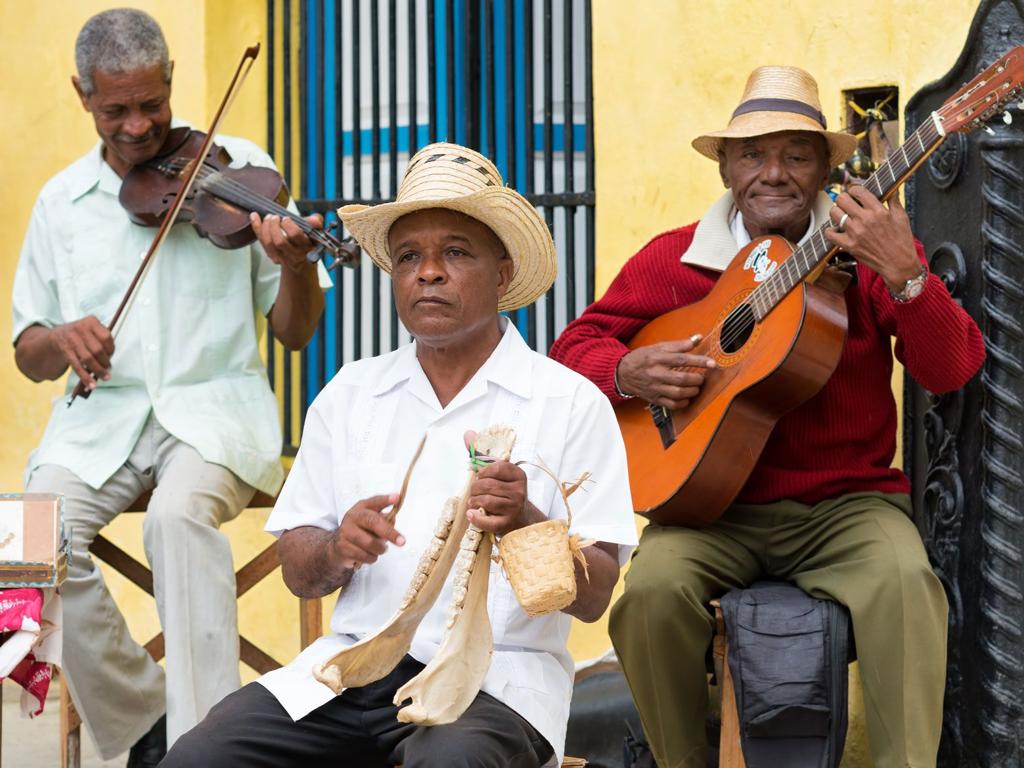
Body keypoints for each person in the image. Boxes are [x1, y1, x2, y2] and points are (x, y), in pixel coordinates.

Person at [548, 66, 986, 768]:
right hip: (708, 513)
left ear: (824, 171)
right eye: (753, 153)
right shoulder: (674, 260)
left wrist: (907, 275)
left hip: (846, 507)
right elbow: (571, 350)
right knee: (649, 598)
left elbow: (956, 367)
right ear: (725, 167)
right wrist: (626, 371)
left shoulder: (863, 252)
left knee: (908, 589)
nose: (773, 173)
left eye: (797, 154)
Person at [161, 141, 639, 768]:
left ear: (501, 272)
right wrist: (337, 549)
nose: (428, 272)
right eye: (409, 256)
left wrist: (526, 522)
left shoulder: (570, 402)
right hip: (349, 669)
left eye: (455, 253)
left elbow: (595, 594)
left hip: (494, 684)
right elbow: (298, 570)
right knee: (200, 759)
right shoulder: (351, 393)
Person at [11, 9, 329, 766]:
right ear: (82, 95)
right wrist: (61, 340)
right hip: (100, 427)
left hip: (213, 418)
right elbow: (28, 352)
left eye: (151, 104)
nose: (136, 125)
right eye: (115, 108)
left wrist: (294, 264)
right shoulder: (60, 204)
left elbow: (294, 333)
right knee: (22, 539)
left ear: (172, 84)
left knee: (178, 520)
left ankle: (208, 746)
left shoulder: (238, 170)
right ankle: (146, 719)